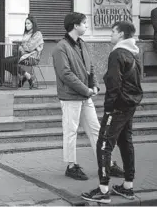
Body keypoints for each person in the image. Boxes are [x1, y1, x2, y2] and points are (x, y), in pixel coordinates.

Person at [52, 12, 124, 181]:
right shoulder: (60, 47)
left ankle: (108, 163)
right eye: (84, 23)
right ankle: (71, 166)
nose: (86, 26)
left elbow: (90, 67)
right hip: (71, 97)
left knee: (96, 130)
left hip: (85, 95)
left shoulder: (82, 44)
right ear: (75, 25)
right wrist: (86, 89)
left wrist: (95, 85)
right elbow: (65, 74)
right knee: (71, 132)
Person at [81, 21, 143, 204]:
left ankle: (103, 189)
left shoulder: (117, 54)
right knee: (125, 143)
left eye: (114, 32)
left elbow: (114, 82)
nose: (111, 35)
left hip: (117, 107)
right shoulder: (134, 53)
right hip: (129, 105)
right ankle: (128, 187)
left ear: (122, 34)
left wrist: (109, 108)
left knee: (103, 145)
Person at [1, 15, 44, 88]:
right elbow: (23, 46)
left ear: (33, 24)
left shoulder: (37, 34)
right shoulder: (27, 34)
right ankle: (27, 76)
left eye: (28, 23)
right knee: (3, 62)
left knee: (9, 62)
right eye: (25, 23)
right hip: (24, 56)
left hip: (32, 58)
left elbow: (29, 47)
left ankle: (26, 77)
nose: (26, 25)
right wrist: (22, 47)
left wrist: (22, 47)